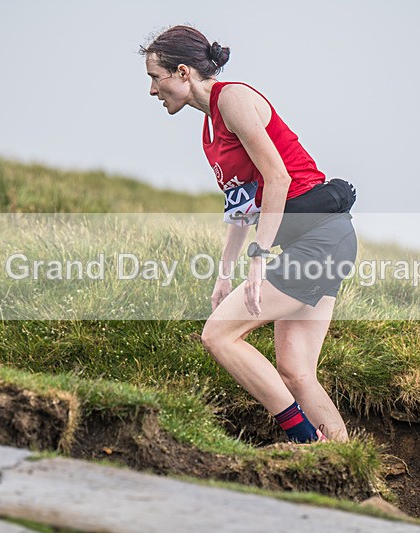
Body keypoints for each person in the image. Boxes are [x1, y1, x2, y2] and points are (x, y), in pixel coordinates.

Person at [140, 25, 357, 443]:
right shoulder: (210, 131)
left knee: (218, 335)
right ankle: (342, 461)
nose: (152, 90)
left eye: (155, 77)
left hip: (320, 239)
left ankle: (305, 440)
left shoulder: (233, 99)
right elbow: (241, 209)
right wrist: (224, 275)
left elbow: (278, 178)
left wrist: (258, 260)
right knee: (296, 372)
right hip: (318, 242)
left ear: (183, 72)